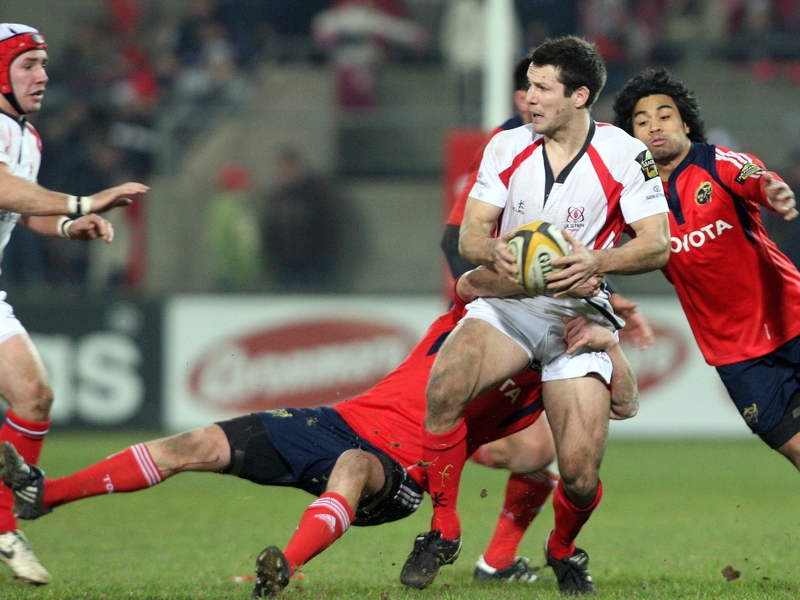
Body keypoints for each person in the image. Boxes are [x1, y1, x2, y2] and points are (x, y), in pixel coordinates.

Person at [0, 267, 638, 597]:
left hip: (401, 475)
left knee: (355, 468)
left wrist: (610, 339)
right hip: (340, 419)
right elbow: (472, 279)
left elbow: (604, 413)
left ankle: (282, 570)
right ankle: (43, 495)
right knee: (193, 444)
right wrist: (515, 269)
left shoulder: (549, 373)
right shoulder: (478, 318)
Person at [401, 36, 670, 595]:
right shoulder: (506, 145)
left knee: (578, 473)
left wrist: (598, 259)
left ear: (580, 96)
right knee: (444, 386)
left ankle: (562, 548)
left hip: (577, 316)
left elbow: (657, 246)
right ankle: (443, 529)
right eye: (528, 86)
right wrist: (493, 251)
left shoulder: (624, 153)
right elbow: (471, 234)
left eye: (543, 88)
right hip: (510, 304)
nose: (529, 98)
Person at [0, 23, 148, 585]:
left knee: (34, 397)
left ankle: (3, 526)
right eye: (28, 64)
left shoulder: (28, 138)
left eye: (43, 64)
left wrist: (67, 224)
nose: (42, 76)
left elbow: (22, 207)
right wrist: (85, 198)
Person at [612, 67, 800, 467]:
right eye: (641, 121)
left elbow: (753, 176)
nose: (654, 127)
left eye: (664, 115)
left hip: (792, 318)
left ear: (684, 121)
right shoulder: (632, 199)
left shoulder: (715, 162)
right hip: (734, 353)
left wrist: (772, 188)